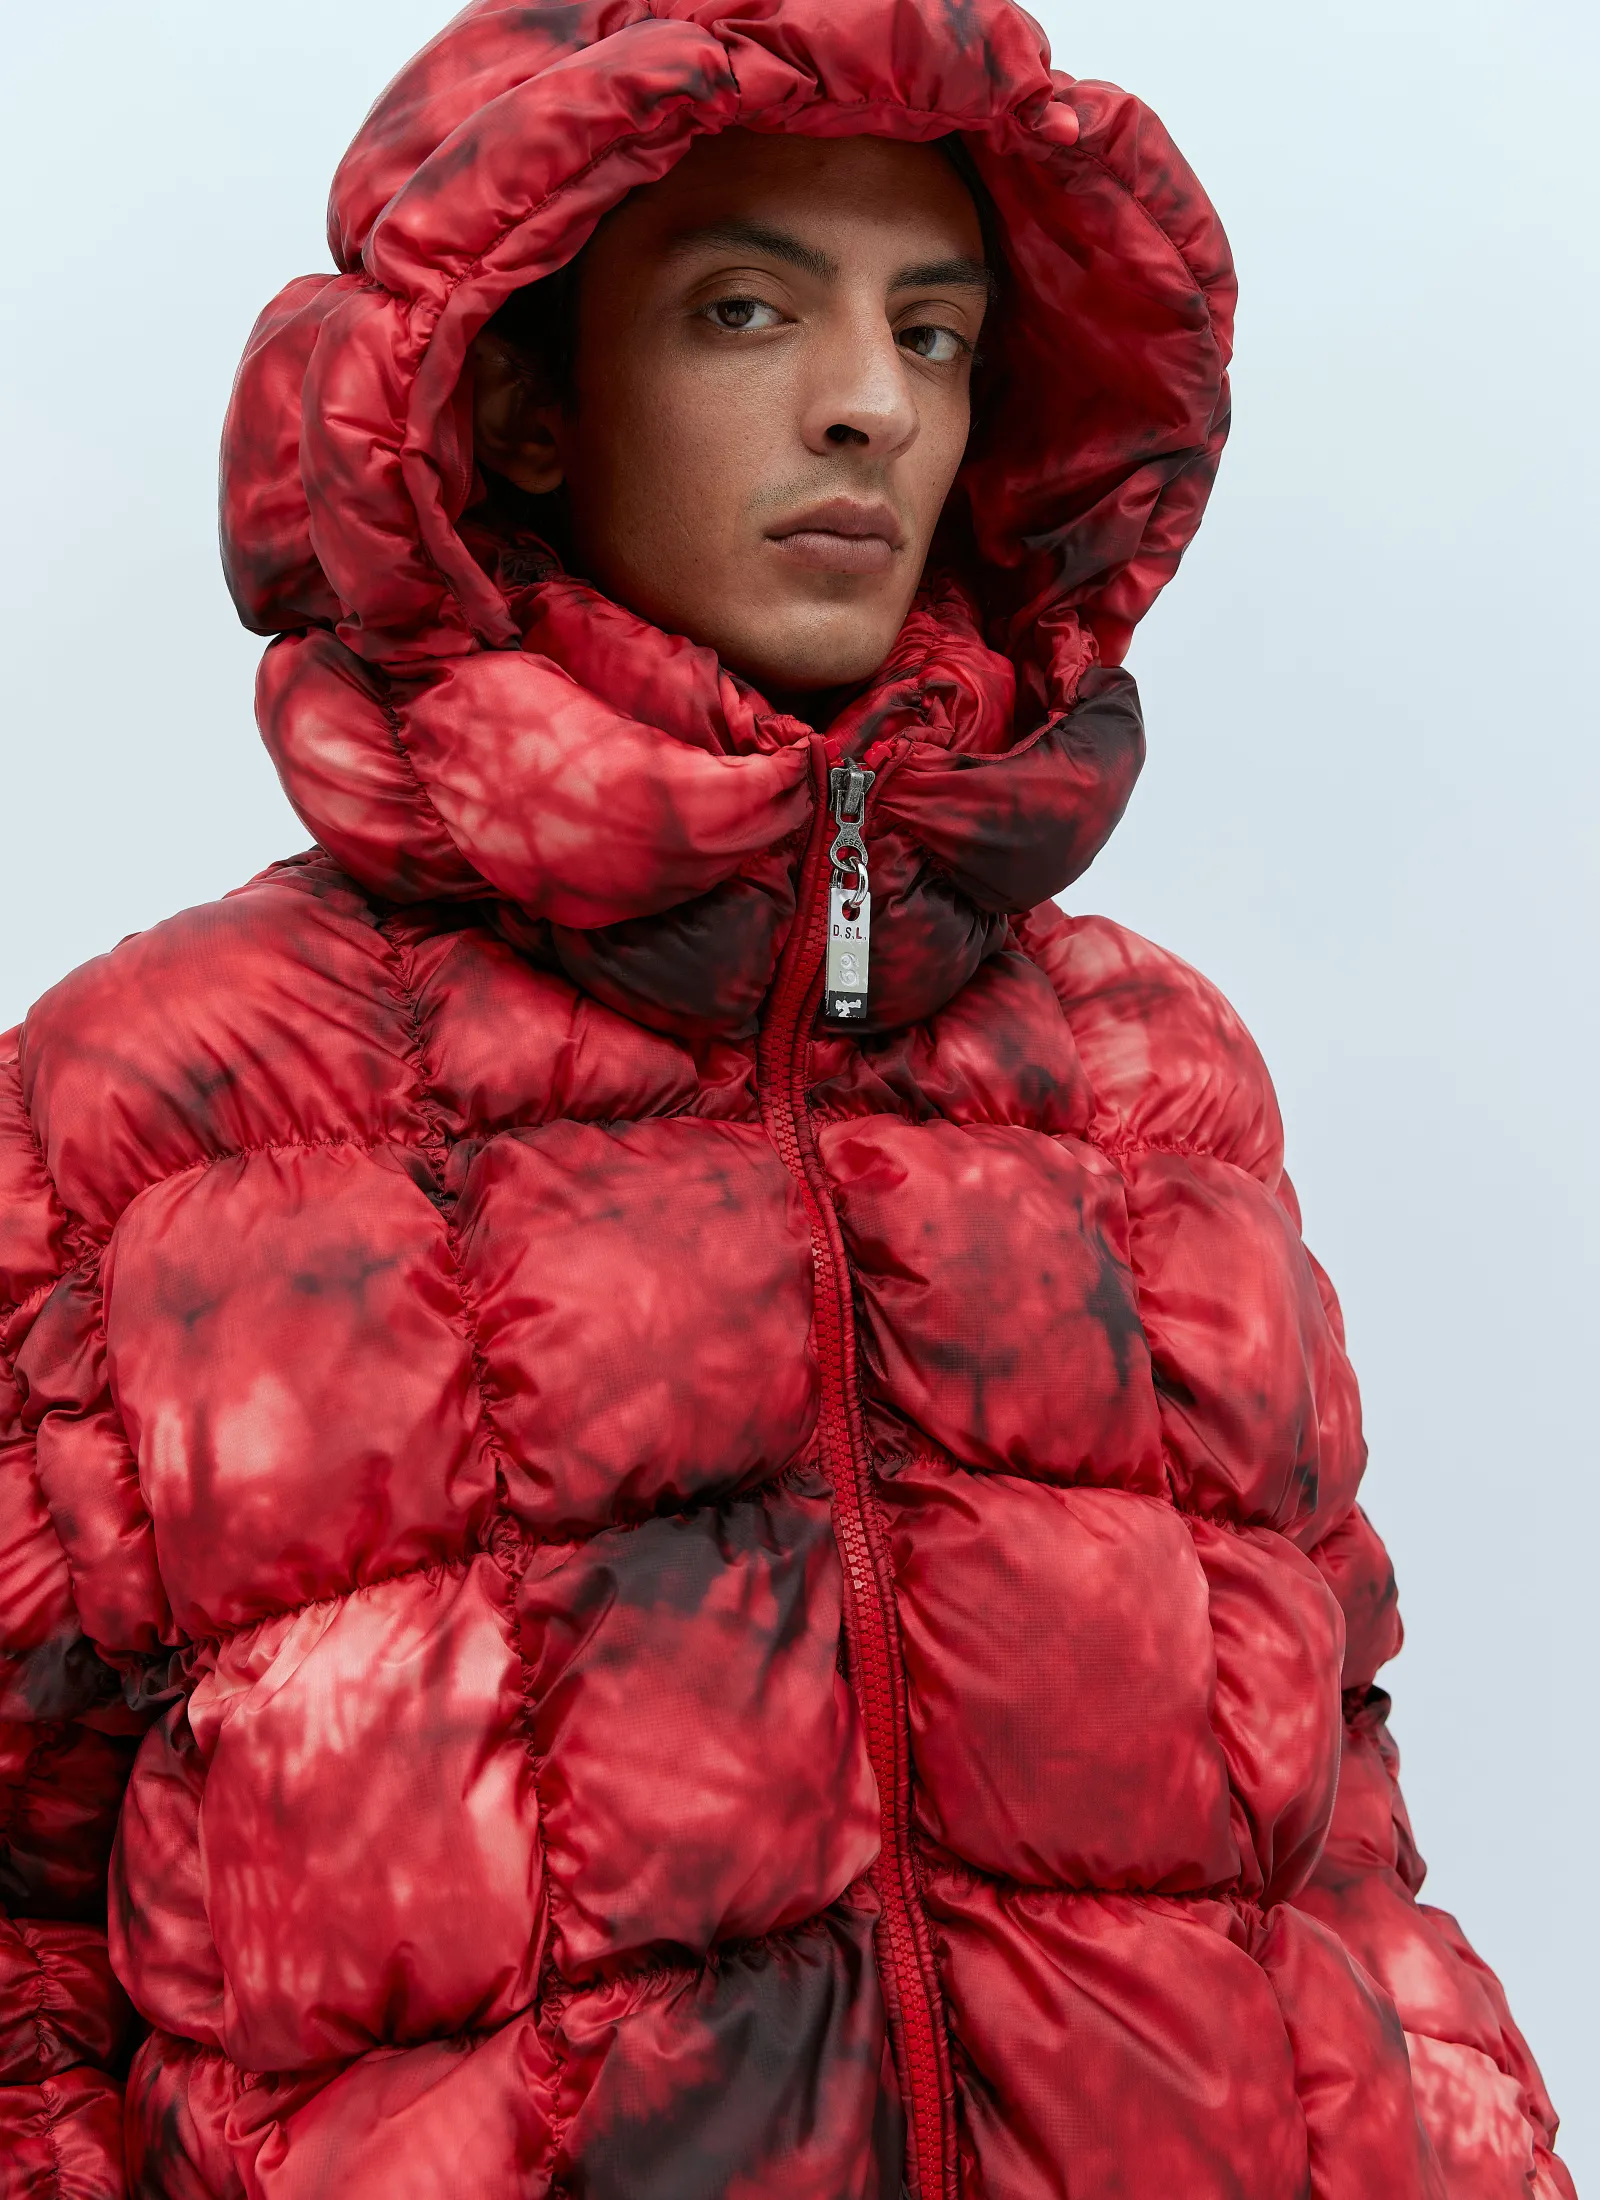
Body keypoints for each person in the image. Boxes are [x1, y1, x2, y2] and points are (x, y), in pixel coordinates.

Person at [0, 2, 1572, 2194]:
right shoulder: (157, 1111)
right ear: (519, 402)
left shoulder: (1151, 1091)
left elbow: (1337, 1850)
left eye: (934, 335)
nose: (868, 403)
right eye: (747, 310)